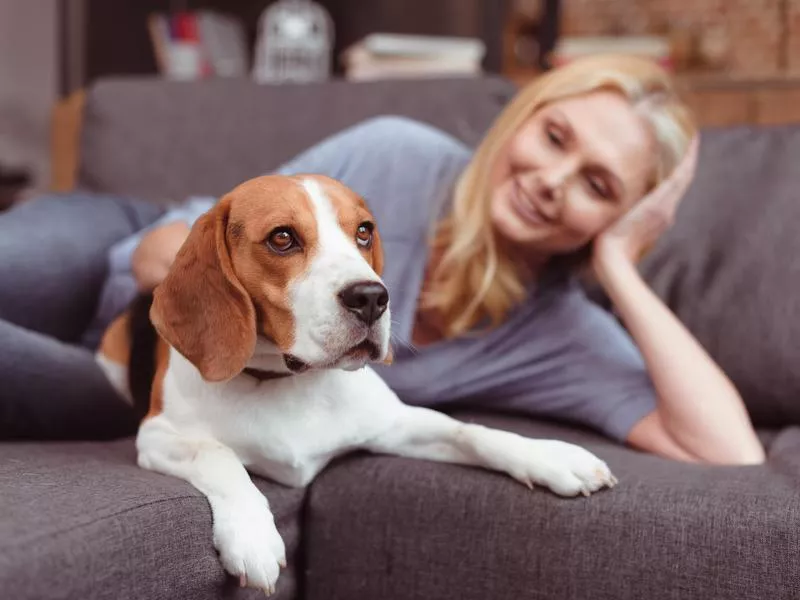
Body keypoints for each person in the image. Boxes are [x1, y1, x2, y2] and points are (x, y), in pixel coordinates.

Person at [0, 55, 765, 464]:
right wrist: (230, 300)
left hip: (136, 373)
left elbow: (725, 450)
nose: (550, 181)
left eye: (598, 185)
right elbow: (163, 252)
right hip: (125, 248)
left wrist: (624, 267)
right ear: (521, 121)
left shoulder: (557, 333)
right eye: (555, 137)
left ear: (617, 215)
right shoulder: (397, 155)